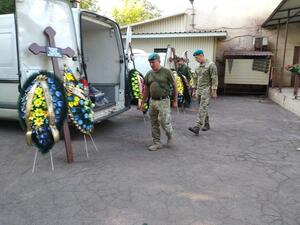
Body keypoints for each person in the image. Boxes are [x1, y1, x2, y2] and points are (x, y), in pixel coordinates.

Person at [141, 53, 178, 151]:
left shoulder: (166, 72)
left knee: (164, 121)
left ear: (159, 61)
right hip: (152, 101)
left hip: (164, 101)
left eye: (153, 62)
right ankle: (157, 142)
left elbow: (175, 86)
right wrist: (142, 102)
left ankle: (170, 134)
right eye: (150, 63)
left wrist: (175, 101)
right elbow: (146, 90)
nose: (151, 64)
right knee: (154, 122)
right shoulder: (149, 74)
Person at [188, 49, 218, 135]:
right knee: (203, 107)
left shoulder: (211, 65)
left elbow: (214, 78)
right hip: (199, 90)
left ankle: (197, 127)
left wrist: (214, 91)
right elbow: (195, 78)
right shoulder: (198, 67)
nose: (196, 60)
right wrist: (194, 90)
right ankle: (207, 124)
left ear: (201, 55)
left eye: (197, 58)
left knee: (202, 107)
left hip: (207, 89)